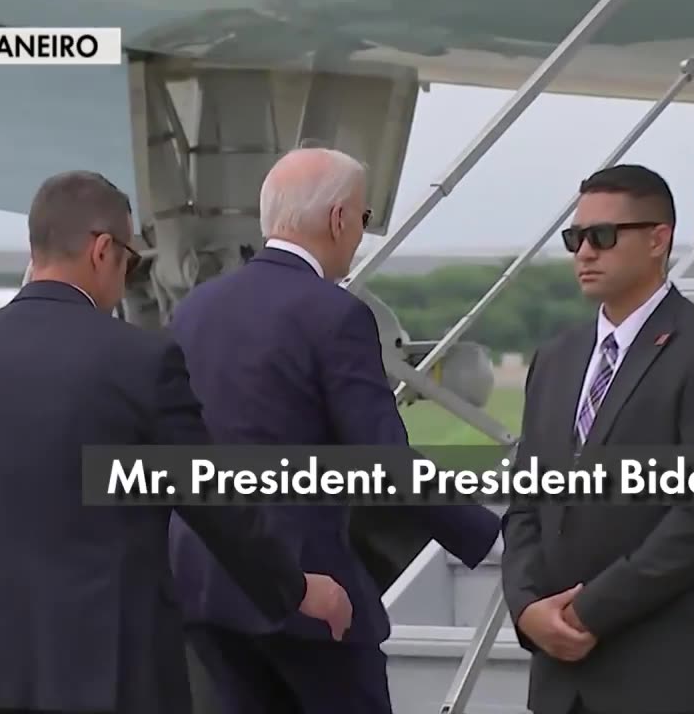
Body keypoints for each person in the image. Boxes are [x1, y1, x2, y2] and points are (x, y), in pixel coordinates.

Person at [0, 170, 353, 714]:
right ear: (102, 250)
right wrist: (295, 588)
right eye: (130, 261)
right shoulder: (141, 362)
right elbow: (218, 503)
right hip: (104, 678)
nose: (127, 277)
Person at [167, 147, 501, 714]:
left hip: (204, 583)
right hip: (310, 593)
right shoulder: (335, 313)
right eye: (363, 220)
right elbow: (383, 458)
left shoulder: (196, 308)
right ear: (339, 219)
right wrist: (488, 536)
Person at [499, 164, 694, 714]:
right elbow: (526, 505)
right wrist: (526, 609)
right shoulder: (555, 359)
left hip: (664, 679)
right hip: (560, 683)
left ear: (657, 240)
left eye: (603, 236)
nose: (584, 253)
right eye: (575, 239)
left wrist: (588, 612)